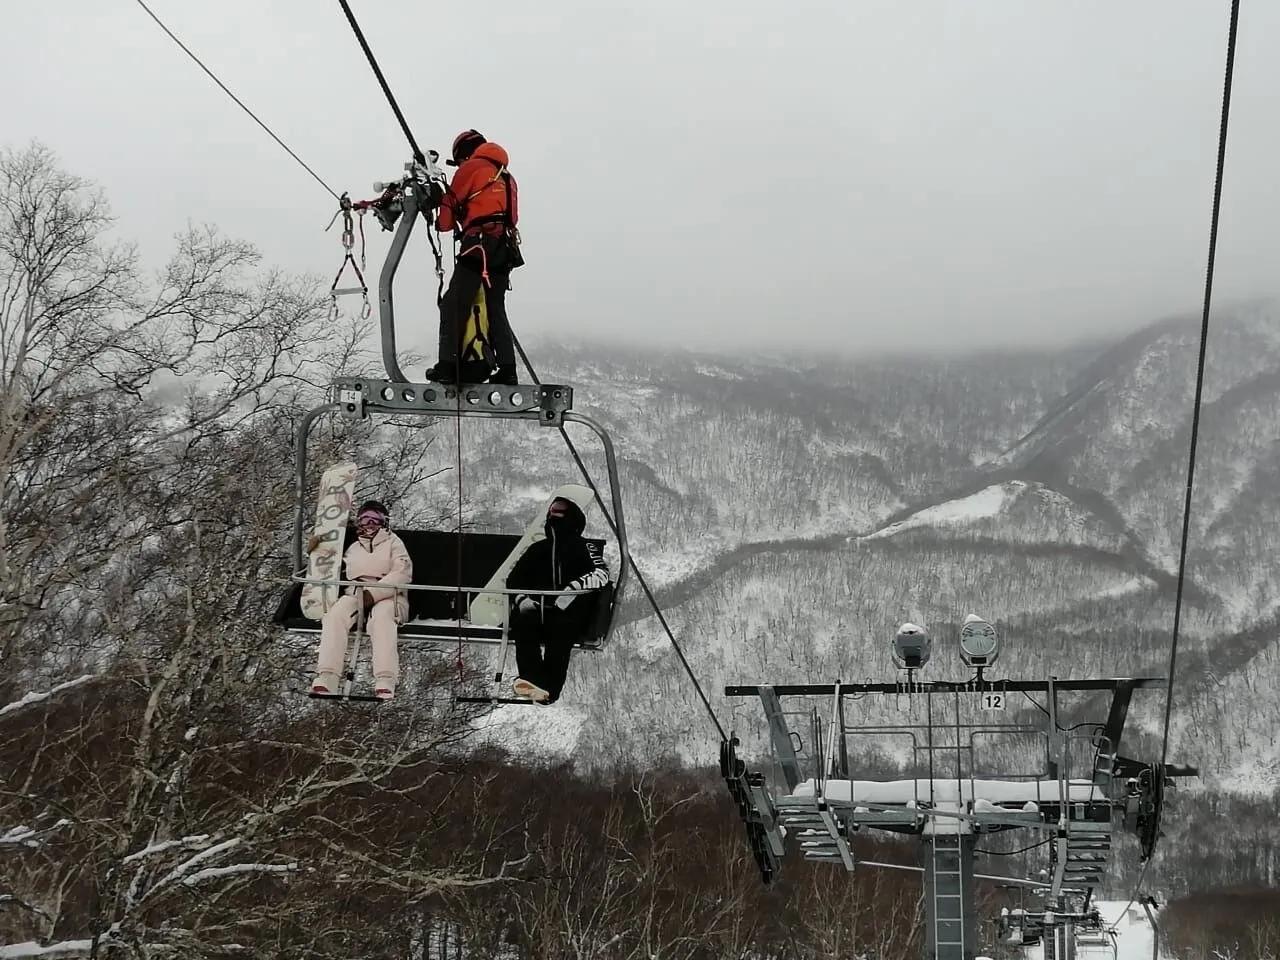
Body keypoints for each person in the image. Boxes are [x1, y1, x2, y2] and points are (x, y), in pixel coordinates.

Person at [424, 129, 523, 387]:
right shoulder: (507, 176)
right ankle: (508, 370)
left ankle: (448, 366)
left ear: (464, 154)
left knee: (454, 303)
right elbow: (507, 215)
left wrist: (441, 202)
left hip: (478, 245)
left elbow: (445, 223)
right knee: (495, 306)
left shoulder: (471, 168)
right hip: (504, 248)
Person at [505, 497, 611, 704]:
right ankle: (534, 680)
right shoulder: (538, 549)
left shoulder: (586, 547)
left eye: (560, 511)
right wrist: (522, 600)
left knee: (560, 633)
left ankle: (549, 690)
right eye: (552, 511)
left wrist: (571, 591)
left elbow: (601, 573)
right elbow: (514, 579)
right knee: (524, 626)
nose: (554, 514)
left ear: (572, 516)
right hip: (537, 609)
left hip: (571, 612)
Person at [309, 500, 413, 700]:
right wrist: (316, 551)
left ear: (384, 521)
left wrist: (373, 593)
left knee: (381, 619)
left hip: (390, 596)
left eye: (375, 519)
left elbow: (402, 573)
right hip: (356, 593)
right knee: (335, 616)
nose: (370, 523)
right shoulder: (353, 547)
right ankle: (328, 675)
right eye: (365, 519)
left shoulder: (394, 543)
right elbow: (329, 565)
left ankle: (385, 679)